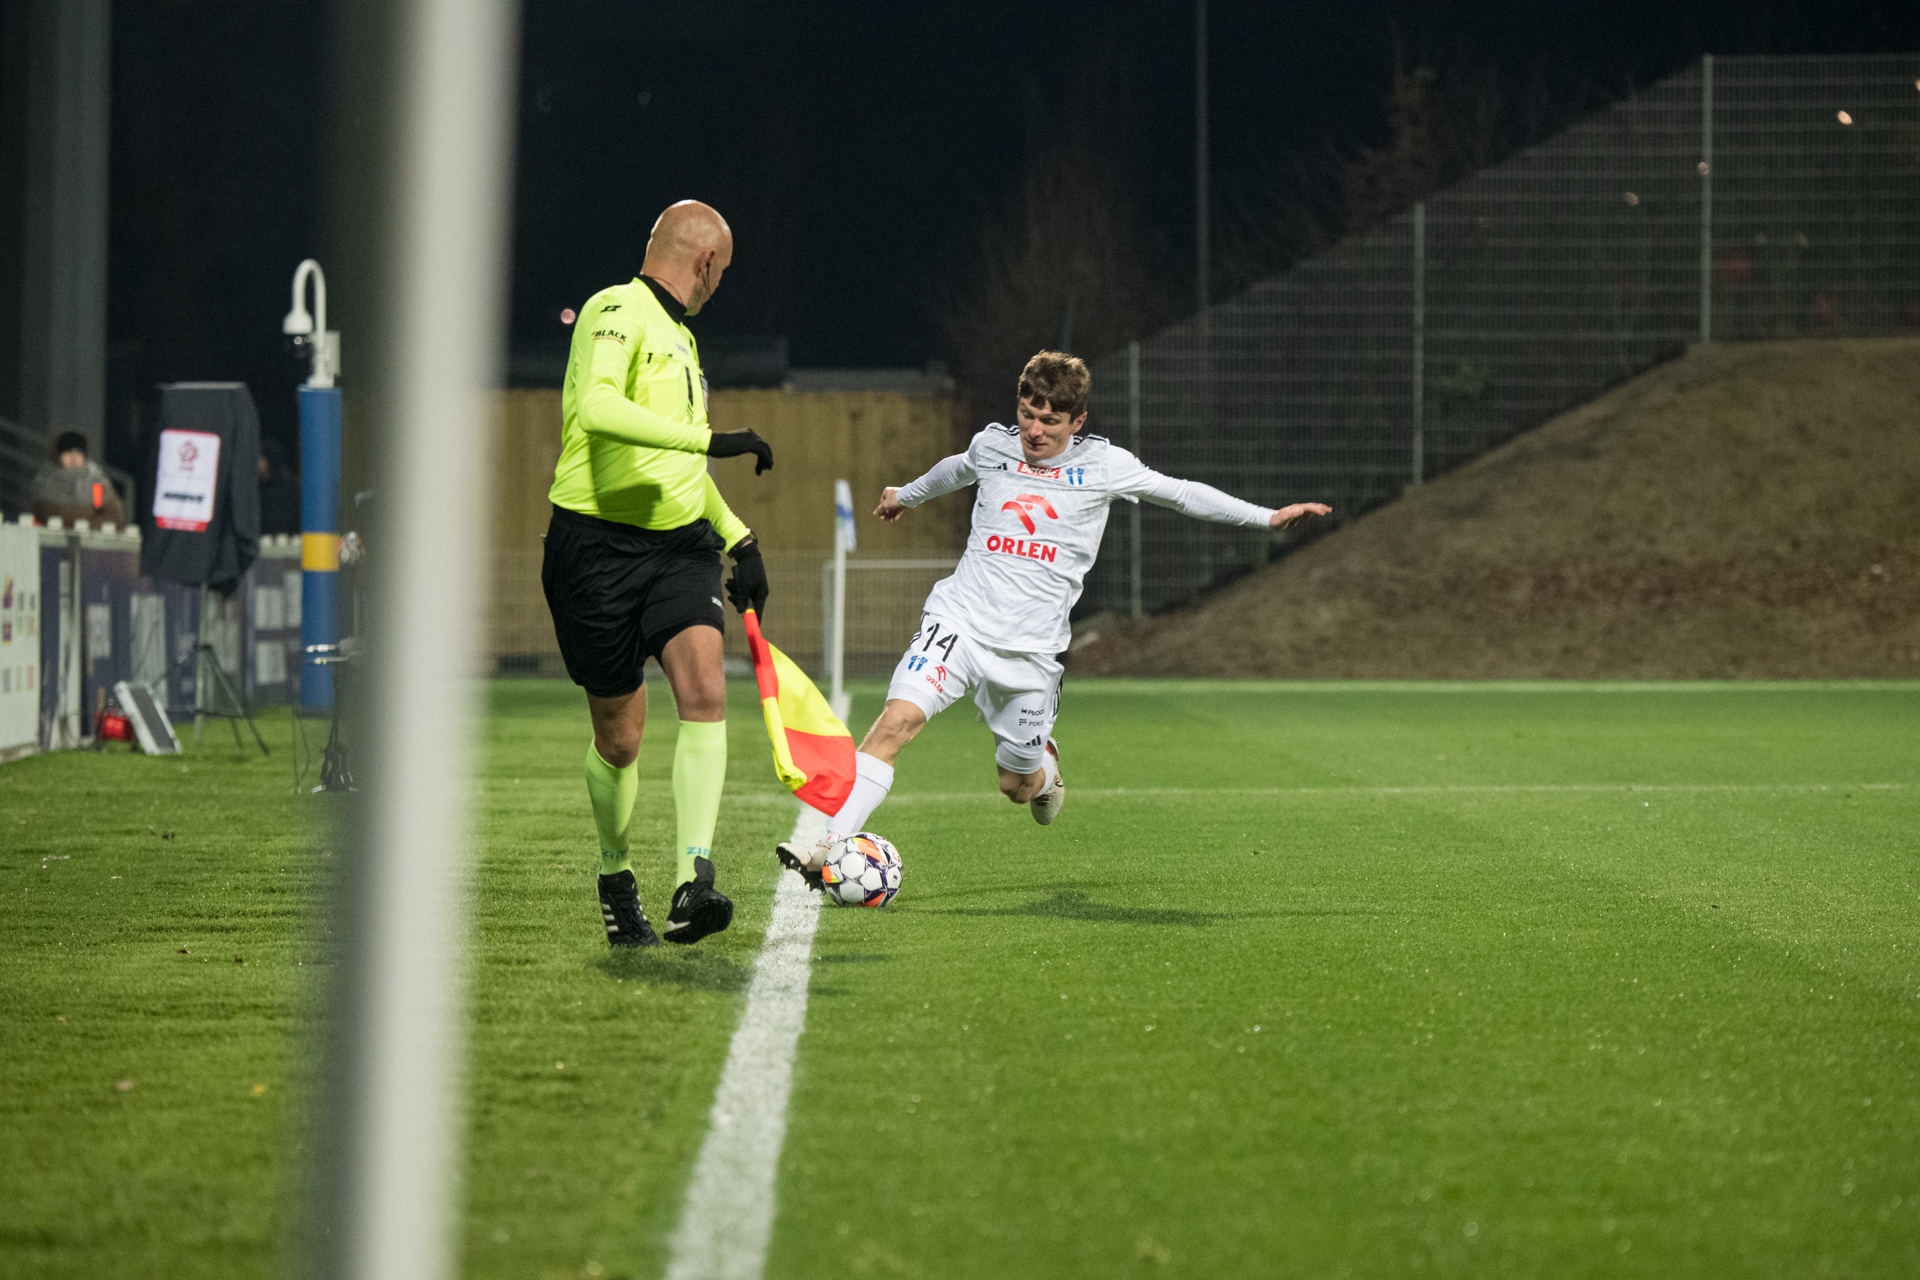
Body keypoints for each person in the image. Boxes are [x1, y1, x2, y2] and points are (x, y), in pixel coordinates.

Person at [777, 350, 1332, 879]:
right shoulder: (993, 447)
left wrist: (1266, 517)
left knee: (1015, 786)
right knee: (896, 721)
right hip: (959, 623)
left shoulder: (1104, 466)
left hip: (1031, 653)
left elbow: (1182, 493)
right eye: (1027, 414)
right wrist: (907, 495)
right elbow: (957, 469)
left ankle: (1044, 769)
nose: (1034, 431)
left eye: (1050, 420)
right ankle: (830, 845)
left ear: (1077, 420)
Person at [541, 199, 777, 949]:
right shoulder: (615, 310)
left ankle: (691, 883)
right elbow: (599, 409)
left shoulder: (683, 341)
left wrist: (739, 538)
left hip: (678, 548)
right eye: (722, 272)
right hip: (595, 550)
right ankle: (616, 875)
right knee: (620, 740)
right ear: (705, 262)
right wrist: (711, 437)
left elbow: (679, 465)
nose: (719, 286)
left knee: (705, 689)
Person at [31, 431, 127, 527]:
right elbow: (41, 513)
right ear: (58, 455)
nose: (73, 457)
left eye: (78, 452)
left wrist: (90, 525)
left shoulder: (97, 482)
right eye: (68, 452)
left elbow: (114, 515)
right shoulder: (45, 480)